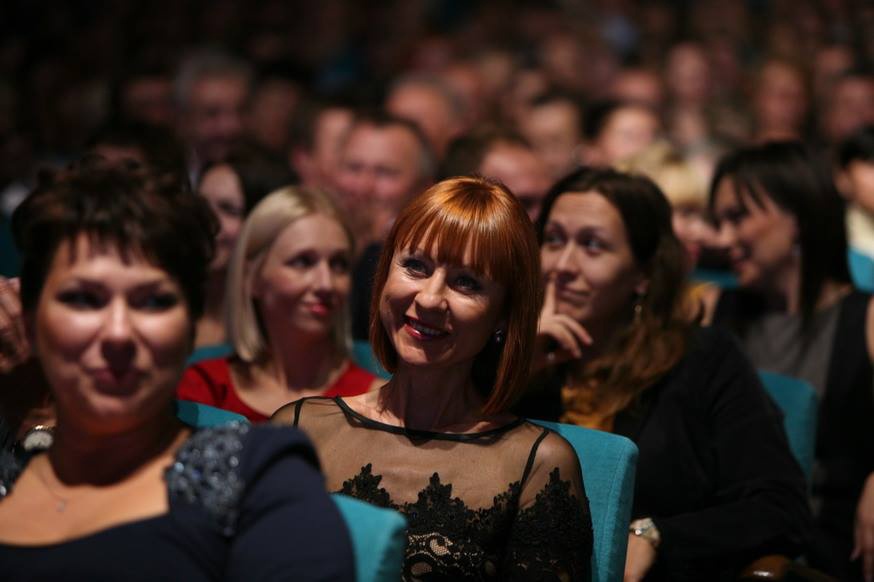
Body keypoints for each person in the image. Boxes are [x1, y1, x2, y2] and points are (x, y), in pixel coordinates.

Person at [0, 160, 353, 580]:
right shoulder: (16, 459)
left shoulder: (254, 479)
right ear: (32, 319)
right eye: (84, 299)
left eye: (153, 302)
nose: (118, 332)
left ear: (191, 327)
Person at [274, 176, 593, 580]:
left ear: (503, 315)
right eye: (415, 266)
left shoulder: (539, 466)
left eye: (466, 282)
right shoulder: (299, 429)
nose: (429, 298)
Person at [517, 167, 810, 581]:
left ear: (643, 274)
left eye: (592, 246)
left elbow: (779, 508)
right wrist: (519, 369)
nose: (562, 265)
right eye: (553, 240)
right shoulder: (513, 354)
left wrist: (657, 536)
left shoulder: (702, 361)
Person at [705, 141, 874, 581]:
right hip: (725, 539)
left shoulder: (866, 317)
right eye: (718, 222)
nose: (723, 239)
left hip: (830, 551)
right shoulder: (713, 307)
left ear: (798, 215)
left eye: (738, 217)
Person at [178, 186, 378, 422]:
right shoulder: (203, 389)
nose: (326, 284)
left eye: (338, 264)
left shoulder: (374, 400)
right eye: (303, 262)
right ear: (251, 277)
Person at [193, 156, 295, 354]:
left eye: (228, 210)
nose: (206, 220)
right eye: (200, 205)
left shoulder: (278, 332)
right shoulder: (172, 307)